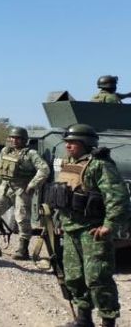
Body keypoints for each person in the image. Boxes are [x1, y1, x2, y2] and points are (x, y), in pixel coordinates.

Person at [45, 124, 131, 327]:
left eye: (73, 142)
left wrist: (109, 225)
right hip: (70, 229)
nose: (68, 146)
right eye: (67, 142)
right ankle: (84, 319)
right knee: (74, 276)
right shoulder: (69, 164)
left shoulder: (100, 165)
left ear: (86, 143)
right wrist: (58, 220)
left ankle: (108, 321)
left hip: (93, 231)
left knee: (98, 278)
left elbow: (117, 198)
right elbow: (62, 196)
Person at [0, 126, 50, 259]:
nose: (14, 140)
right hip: (4, 187)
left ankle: (23, 250)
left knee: (22, 219)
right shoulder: (5, 151)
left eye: (17, 138)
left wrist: (32, 185)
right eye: (12, 137)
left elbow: (44, 169)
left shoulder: (31, 154)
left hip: (21, 189)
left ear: (24, 140)